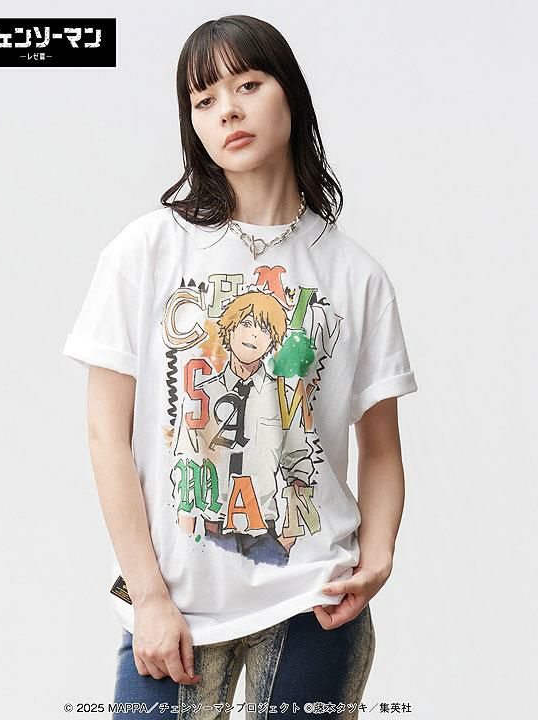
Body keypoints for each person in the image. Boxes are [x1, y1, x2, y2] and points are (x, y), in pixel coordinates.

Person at [62, 14, 418, 720]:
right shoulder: (145, 253)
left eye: (248, 85)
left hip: (313, 598)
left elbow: (381, 446)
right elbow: (106, 436)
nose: (227, 109)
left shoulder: (356, 276)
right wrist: (149, 597)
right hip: (174, 605)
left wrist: (377, 554)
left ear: (291, 95)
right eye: (204, 99)